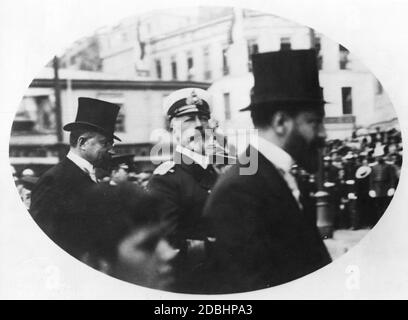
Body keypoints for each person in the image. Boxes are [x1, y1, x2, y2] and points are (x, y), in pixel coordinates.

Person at [203, 50, 332, 293]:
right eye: (314, 122)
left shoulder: (276, 176)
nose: (324, 133)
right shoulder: (239, 189)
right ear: (281, 122)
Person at [147, 88, 219, 293]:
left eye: (203, 118)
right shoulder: (165, 179)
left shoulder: (218, 173)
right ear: (173, 129)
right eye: (188, 119)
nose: (198, 125)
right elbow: (165, 246)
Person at [30, 97, 121, 260]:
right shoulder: (54, 180)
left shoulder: (91, 176)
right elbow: (43, 239)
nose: (110, 150)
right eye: (105, 143)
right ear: (83, 142)